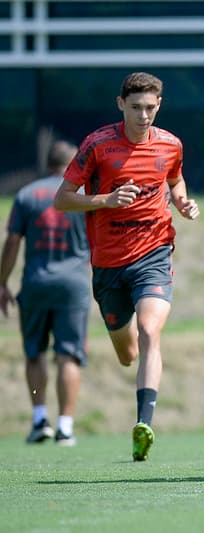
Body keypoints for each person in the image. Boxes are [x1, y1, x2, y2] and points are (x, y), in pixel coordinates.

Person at [53, 72, 200, 462]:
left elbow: (176, 180)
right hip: (107, 265)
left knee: (152, 330)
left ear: (159, 106)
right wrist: (105, 200)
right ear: (121, 105)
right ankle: (129, 354)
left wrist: (183, 203)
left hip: (154, 253)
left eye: (151, 108)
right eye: (136, 108)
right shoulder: (97, 145)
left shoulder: (170, 144)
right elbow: (63, 199)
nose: (143, 116)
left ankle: (143, 424)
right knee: (127, 353)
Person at [1, 140, 88, 447]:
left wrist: (2, 283)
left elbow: (12, 243)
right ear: (72, 163)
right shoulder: (82, 196)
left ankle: (40, 419)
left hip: (35, 284)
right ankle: (65, 425)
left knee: (34, 352)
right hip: (73, 286)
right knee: (69, 354)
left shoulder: (27, 195)